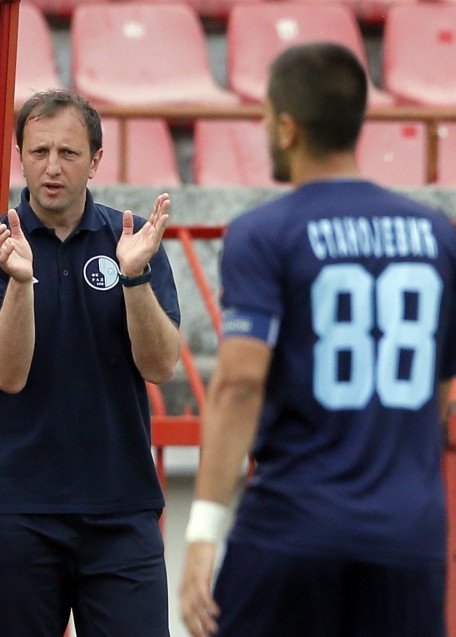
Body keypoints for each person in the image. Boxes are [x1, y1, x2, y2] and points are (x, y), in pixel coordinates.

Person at [179, 42, 456, 637]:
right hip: (409, 534)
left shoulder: (263, 232)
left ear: (287, 128)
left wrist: (203, 533)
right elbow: (441, 386)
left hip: (294, 527)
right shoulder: (437, 234)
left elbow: (240, 383)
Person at [0, 89, 182, 637]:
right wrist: (20, 282)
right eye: (39, 152)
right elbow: (8, 373)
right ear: (21, 156)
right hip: (15, 509)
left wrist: (134, 278)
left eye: (68, 153)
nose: (52, 167)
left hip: (121, 505)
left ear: (95, 161)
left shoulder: (132, 242)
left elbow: (161, 365)